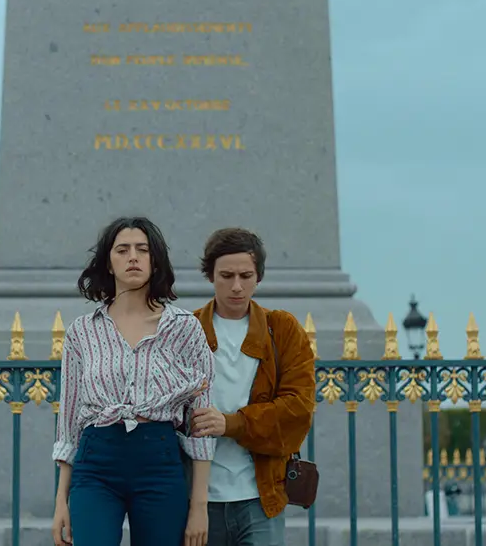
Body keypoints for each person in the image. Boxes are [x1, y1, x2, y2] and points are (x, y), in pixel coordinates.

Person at [51, 216, 216, 546]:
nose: (133, 257)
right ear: (108, 264)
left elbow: (201, 426)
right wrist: (60, 502)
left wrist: (199, 507)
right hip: (96, 462)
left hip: (159, 460)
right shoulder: (82, 332)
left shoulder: (184, 329)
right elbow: (68, 423)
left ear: (155, 262)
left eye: (142, 249)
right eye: (122, 250)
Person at [188, 227, 317, 546]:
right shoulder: (187, 330)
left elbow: (298, 410)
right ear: (210, 276)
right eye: (226, 275)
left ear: (258, 277)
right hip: (197, 500)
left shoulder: (282, 329)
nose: (236, 286)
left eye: (245, 275)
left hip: (261, 498)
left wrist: (231, 423)